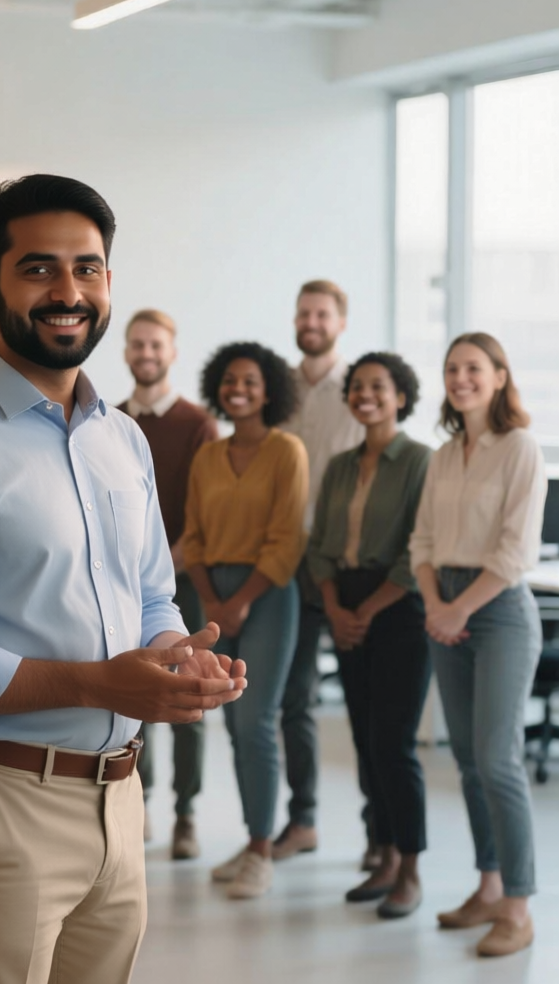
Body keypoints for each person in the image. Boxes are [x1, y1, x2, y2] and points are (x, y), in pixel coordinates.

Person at [0, 174, 247, 984]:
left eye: (89, 269)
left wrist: (178, 657)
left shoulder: (121, 440)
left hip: (118, 800)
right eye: (38, 269)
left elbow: (148, 594)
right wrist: (101, 685)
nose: (67, 291)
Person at [410, 332, 546, 958]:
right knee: (466, 761)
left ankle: (518, 906)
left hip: (499, 614)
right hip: (446, 608)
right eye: (451, 369)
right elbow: (424, 544)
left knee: (497, 759)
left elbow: (515, 553)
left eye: (473, 368)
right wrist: (437, 604)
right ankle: (488, 886)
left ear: (498, 376)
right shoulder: (444, 456)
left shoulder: (519, 448)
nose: (460, 378)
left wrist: (457, 608)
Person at [307, 352, 432, 918]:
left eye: (378, 387)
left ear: (400, 396)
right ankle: (379, 850)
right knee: (363, 738)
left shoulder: (420, 462)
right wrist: (337, 606)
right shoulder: (338, 465)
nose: (366, 395)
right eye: (357, 387)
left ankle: (409, 866)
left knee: (394, 742)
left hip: (399, 606)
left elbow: (417, 548)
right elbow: (321, 546)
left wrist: (370, 608)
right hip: (347, 601)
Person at [184, 341, 307, 899]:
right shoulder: (209, 455)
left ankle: (263, 850)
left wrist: (241, 599)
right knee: (231, 724)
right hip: (214, 593)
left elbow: (287, 539)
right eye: (230, 379)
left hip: (269, 593)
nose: (239, 388)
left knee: (256, 718)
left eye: (251, 381)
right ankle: (251, 836)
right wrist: (212, 598)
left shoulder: (287, 451)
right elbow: (195, 536)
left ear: (269, 390)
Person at [117, 308, 218, 859]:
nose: (146, 353)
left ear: (172, 352)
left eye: (156, 345)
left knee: (189, 699)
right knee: (136, 695)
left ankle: (186, 813)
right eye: (137, 344)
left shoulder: (197, 424)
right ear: (127, 352)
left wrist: (163, 569)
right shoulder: (107, 419)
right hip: (123, 588)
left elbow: (201, 513)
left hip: (181, 582)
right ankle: (141, 800)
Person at [275, 279, 366, 863]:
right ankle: (302, 818)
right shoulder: (277, 388)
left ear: (340, 322)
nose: (311, 321)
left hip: (347, 563)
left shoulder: (359, 388)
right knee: (293, 698)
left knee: (364, 702)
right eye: (304, 312)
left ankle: (380, 831)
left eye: (322, 313)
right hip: (287, 564)